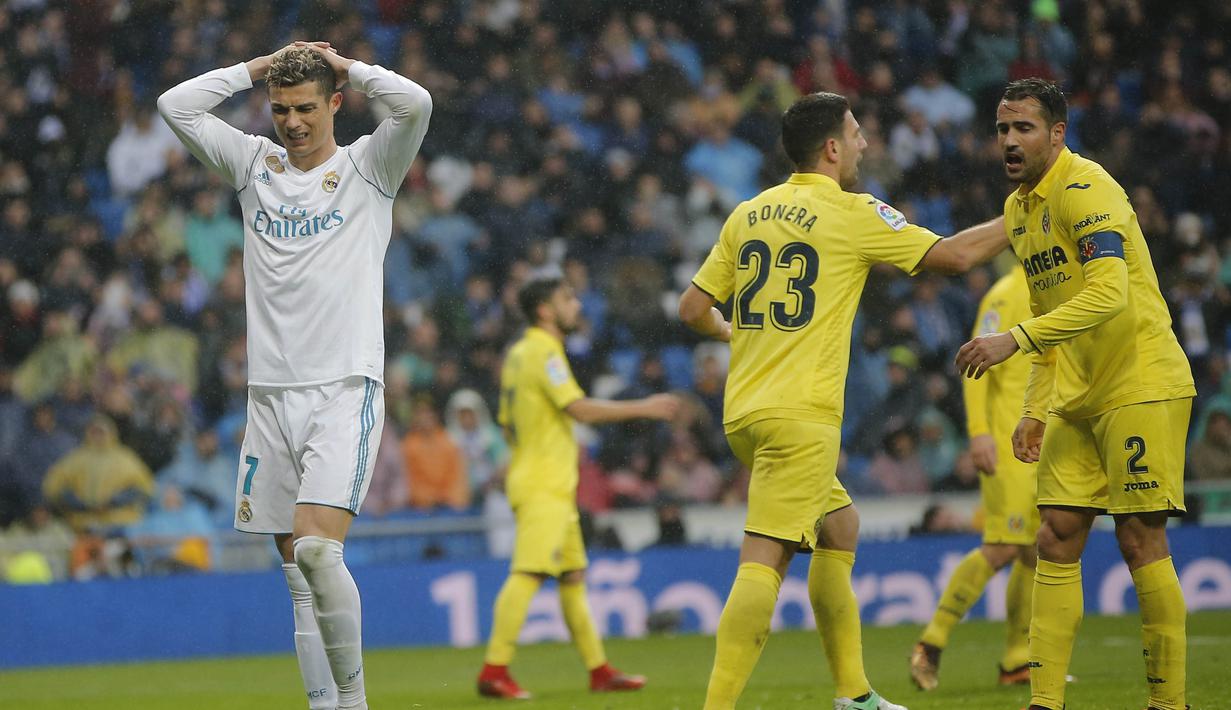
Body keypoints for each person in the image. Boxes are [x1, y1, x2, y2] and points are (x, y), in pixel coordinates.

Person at [678, 91, 1010, 710]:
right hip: (799, 415)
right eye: (856, 134)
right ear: (832, 147)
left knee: (841, 526)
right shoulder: (852, 211)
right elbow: (955, 257)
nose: (862, 144)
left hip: (746, 410)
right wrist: (1024, 214)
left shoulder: (748, 212)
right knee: (766, 558)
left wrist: (732, 331)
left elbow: (692, 308)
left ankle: (854, 695)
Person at [158, 40, 431, 710]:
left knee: (316, 553)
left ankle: (357, 702)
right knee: (295, 573)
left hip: (342, 388)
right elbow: (176, 106)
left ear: (335, 102)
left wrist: (352, 67)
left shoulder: (371, 165)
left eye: (306, 106)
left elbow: (416, 102)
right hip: (270, 396)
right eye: (280, 108)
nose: (293, 121)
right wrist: (257, 66)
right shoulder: (254, 164)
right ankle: (323, 704)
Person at [955, 78, 1194, 710]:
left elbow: (1108, 293)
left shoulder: (1086, 187)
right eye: (1003, 129)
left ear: (1057, 134)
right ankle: (1044, 702)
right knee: (1055, 535)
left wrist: (1014, 340)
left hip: (1139, 380)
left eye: (1023, 129)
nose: (1009, 141)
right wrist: (1034, 410)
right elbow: (1050, 311)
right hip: (1076, 394)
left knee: (1140, 536)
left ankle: (1170, 702)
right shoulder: (1018, 211)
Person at [476, 277, 680, 700]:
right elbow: (579, 409)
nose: (576, 305)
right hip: (544, 483)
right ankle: (494, 670)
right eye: (567, 299)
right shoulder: (543, 350)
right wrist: (645, 406)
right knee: (529, 572)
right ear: (545, 310)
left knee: (572, 576)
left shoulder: (517, 353)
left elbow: (506, 421)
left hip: (540, 477)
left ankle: (599, 670)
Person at [910, 268, 1038, 690]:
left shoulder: (1060, 288)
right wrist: (979, 431)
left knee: (1035, 550)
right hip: (1006, 442)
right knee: (1003, 545)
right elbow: (974, 362)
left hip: (1042, 440)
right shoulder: (1005, 294)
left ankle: (1018, 659)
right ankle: (932, 641)